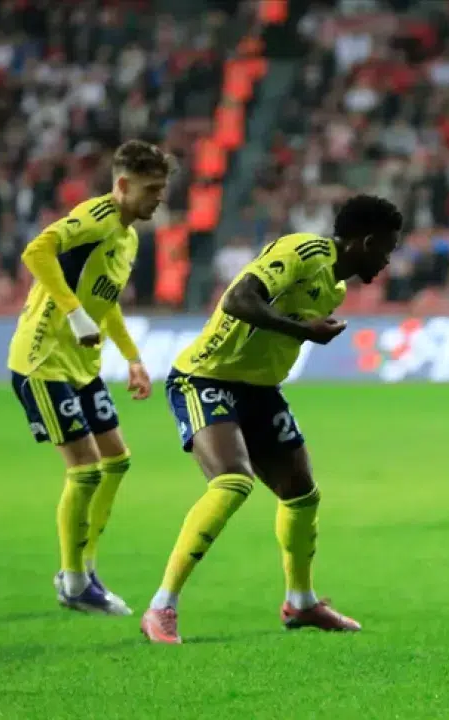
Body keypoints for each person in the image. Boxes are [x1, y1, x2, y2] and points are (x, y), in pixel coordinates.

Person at [140, 195, 405, 644]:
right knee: (232, 482)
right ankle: (161, 607)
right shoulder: (302, 251)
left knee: (301, 493)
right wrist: (303, 331)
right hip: (205, 377)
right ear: (365, 242)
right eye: (386, 249)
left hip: (260, 391)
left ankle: (301, 602)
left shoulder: (335, 289)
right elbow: (238, 299)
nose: (387, 260)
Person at [7, 140, 172, 614]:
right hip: (42, 360)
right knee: (84, 469)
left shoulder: (128, 237)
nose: (159, 198)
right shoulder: (97, 217)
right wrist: (74, 313)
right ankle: (75, 582)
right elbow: (37, 251)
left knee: (116, 460)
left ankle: (86, 565)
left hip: (81, 365)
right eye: (150, 189)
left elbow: (106, 299)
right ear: (122, 185)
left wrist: (132, 356)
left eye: (161, 189)